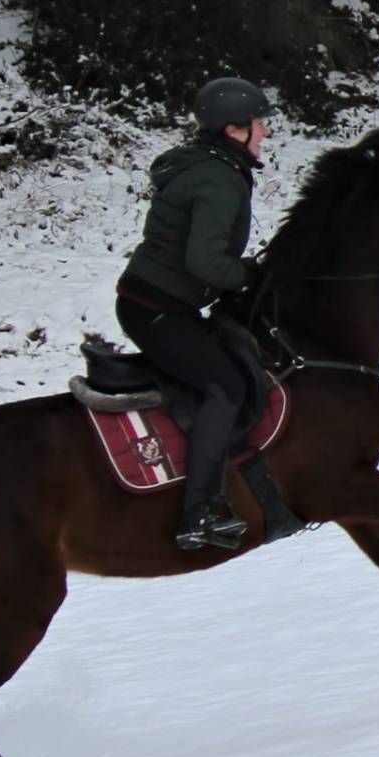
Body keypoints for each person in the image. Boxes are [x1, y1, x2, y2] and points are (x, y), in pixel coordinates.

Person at [116, 76, 272, 549]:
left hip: (160, 301)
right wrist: (249, 275)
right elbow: (204, 262)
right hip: (156, 310)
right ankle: (198, 513)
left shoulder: (213, 166)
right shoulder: (219, 180)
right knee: (223, 386)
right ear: (234, 130)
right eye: (260, 125)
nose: (265, 133)